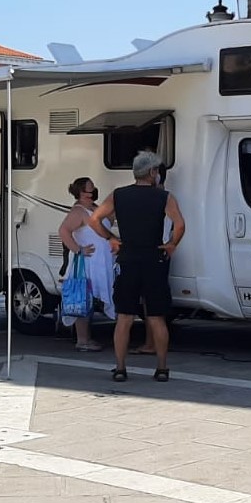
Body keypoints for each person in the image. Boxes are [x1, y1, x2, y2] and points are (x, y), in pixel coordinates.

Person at [87, 151, 185, 383]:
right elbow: (180, 225)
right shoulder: (164, 197)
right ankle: (161, 368)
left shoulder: (118, 195)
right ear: (152, 172)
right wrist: (171, 244)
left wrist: (111, 238)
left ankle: (120, 368)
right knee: (156, 317)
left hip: (127, 258)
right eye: (157, 171)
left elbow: (94, 219)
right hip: (154, 258)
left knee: (124, 317)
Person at [58, 175, 116, 352]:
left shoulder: (95, 208)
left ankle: (88, 338)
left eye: (92, 189)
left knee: (91, 298)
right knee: (82, 298)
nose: (90, 193)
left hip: (101, 262)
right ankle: (83, 340)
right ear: (78, 192)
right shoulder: (78, 211)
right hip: (87, 262)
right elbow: (63, 231)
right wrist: (78, 249)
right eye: (86, 190)